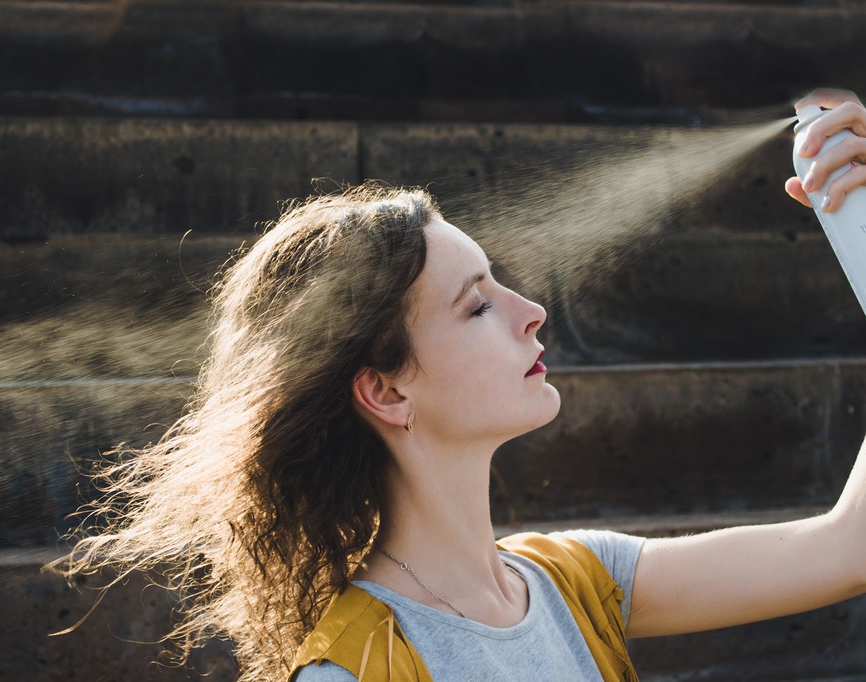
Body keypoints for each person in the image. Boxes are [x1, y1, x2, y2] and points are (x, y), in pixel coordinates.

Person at [57, 88, 866, 682]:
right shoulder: (355, 669)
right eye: (476, 304)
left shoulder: (572, 580)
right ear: (385, 392)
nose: (531, 312)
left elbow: (846, 546)